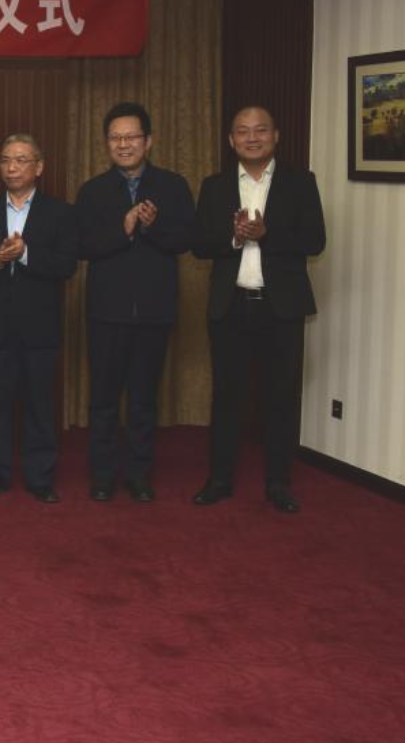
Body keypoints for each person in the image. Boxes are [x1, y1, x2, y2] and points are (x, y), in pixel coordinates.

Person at [192, 106, 325, 514]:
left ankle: (278, 482)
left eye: (261, 130)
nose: (252, 138)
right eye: (243, 131)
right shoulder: (215, 186)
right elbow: (200, 244)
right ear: (231, 140)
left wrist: (267, 234)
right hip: (230, 305)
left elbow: (315, 240)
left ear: (276, 135)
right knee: (227, 396)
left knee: (280, 396)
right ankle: (219, 479)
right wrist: (234, 238)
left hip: (280, 308)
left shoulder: (300, 183)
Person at [76, 102, 195, 502]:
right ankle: (103, 475)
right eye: (115, 138)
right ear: (106, 143)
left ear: (149, 141)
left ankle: (139, 475)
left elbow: (186, 240)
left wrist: (154, 226)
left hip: (153, 311)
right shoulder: (92, 191)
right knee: (103, 400)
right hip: (106, 312)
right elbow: (82, 246)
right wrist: (124, 228)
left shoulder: (172, 186)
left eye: (131, 137)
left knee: (144, 399)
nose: (123, 144)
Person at [0, 135, 78, 503]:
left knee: (40, 405)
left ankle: (40, 477)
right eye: (5, 160)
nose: (12, 167)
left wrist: (25, 254)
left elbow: (66, 265)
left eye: (21, 160)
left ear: (39, 167)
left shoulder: (60, 213)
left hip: (41, 326)